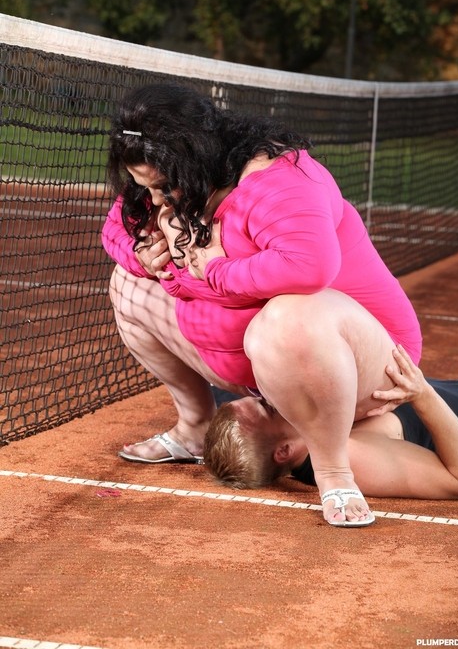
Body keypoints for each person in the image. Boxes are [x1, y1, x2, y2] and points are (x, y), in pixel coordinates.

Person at [102, 81, 422, 527]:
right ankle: (194, 427)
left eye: (160, 188)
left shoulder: (281, 180)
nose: (153, 199)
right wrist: (139, 255)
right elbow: (115, 226)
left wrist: (212, 272)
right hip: (258, 366)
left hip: (361, 360)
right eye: (145, 187)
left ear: (193, 156)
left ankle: (333, 470)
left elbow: (310, 268)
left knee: (289, 316)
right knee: (127, 285)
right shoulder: (171, 177)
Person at [204, 345, 458, 500]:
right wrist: (423, 394)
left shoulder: (315, 421)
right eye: (267, 406)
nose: (269, 394)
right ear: (284, 451)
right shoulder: (349, 456)